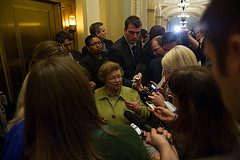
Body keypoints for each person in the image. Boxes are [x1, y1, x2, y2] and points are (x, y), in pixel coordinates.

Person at [2, 56, 148, 160]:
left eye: (119, 77)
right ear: (81, 93)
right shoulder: (122, 137)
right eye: (112, 78)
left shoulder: (18, 131)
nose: (117, 80)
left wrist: (139, 110)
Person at [148, 66, 240, 159]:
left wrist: (164, 149)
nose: (172, 98)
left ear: (186, 102)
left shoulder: (188, 142)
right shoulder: (230, 125)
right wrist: (177, 118)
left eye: (173, 95)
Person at [108, 15, 143, 90]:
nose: (135, 36)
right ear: (124, 30)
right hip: (123, 89)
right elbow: (116, 76)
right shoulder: (116, 49)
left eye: (138, 33)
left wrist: (139, 73)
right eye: (131, 32)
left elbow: (139, 62)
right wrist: (133, 84)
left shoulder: (139, 43)